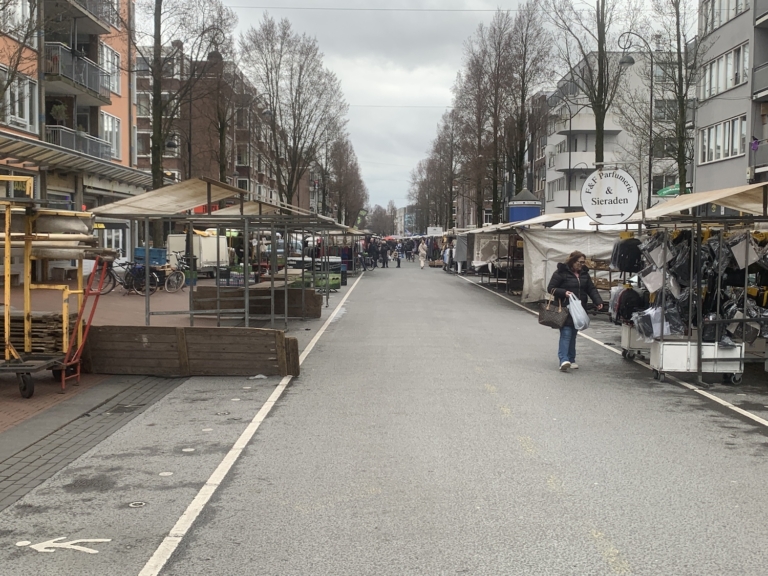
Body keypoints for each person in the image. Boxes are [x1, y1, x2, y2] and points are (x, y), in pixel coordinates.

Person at [546, 250, 604, 372]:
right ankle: (563, 360)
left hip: (579, 309)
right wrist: (564, 292)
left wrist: (598, 301)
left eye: (583, 263)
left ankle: (571, 359)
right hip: (565, 308)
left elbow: (591, 289)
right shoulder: (561, 272)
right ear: (572, 261)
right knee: (566, 333)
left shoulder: (584, 274)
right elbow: (551, 288)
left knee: (573, 334)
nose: (581, 265)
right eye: (580, 262)